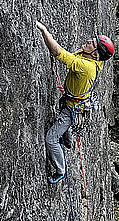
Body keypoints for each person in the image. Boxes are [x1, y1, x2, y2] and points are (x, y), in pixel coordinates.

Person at [36, 21, 114, 183]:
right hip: (73, 102)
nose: (88, 41)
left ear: (95, 54)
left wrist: (44, 30)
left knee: (51, 139)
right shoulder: (88, 57)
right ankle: (68, 138)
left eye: (92, 43)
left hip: (72, 109)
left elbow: (58, 52)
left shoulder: (87, 66)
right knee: (65, 122)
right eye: (92, 39)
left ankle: (60, 170)